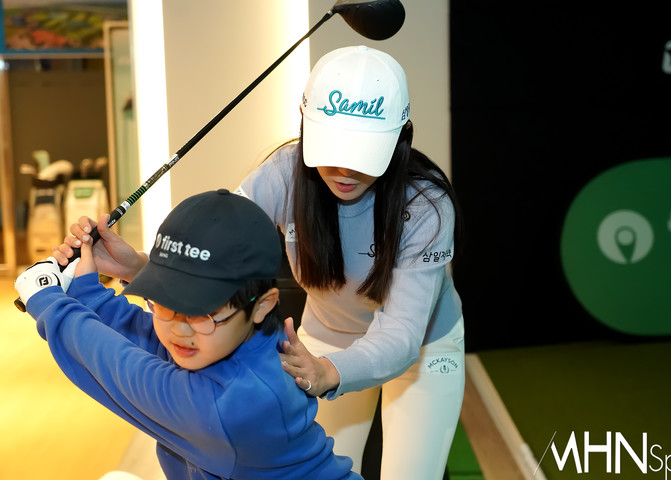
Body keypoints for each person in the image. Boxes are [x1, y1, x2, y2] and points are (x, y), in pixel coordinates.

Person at [61, 45, 465, 479]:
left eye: (364, 153)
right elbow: (215, 249)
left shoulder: (427, 205)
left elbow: (402, 334)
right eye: (332, 147)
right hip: (323, 339)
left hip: (424, 347)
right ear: (305, 123)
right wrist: (139, 268)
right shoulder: (284, 172)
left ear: (402, 137)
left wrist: (330, 371)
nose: (344, 170)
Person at [15, 189, 360, 480]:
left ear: (262, 305)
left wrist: (48, 300)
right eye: (165, 302)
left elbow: (121, 368)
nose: (178, 330)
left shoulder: (237, 406)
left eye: (202, 312)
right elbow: (146, 338)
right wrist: (86, 290)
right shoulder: (235, 340)